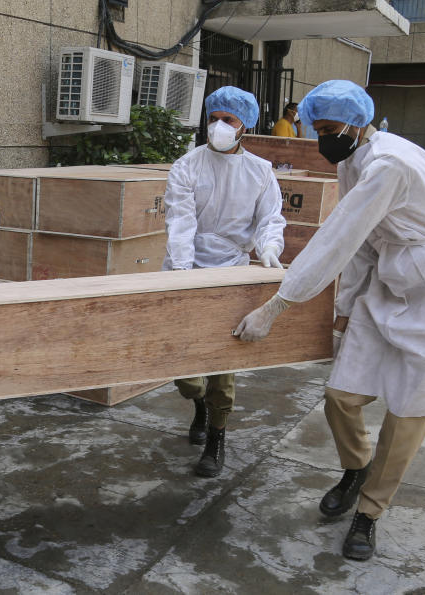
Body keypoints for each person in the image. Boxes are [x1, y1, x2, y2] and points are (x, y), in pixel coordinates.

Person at [234, 80, 425, 561]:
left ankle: (369, 513)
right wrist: (345, 306)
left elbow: (338, 237)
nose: (324, 139)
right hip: (388, 282)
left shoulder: (390, 163)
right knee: (341, 396)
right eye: (317, 129)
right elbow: (364, 243)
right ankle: (356, 467)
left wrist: (278, 305)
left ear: (356, 121)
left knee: (408, 415)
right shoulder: (353, 157)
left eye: (328, 129)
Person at [164, 85, 286, 478]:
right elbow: (180, 222)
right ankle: (197, 404)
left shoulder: (261, 172)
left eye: (227, 120)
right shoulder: (187, 166)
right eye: (213, 118)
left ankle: (217, 436)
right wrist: (183, 274)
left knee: (223, 366)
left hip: (232, 271)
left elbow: (270, 219)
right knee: (185, 369)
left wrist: (268, 247)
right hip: (187, 271)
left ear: (243, 126)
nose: (218, 126)